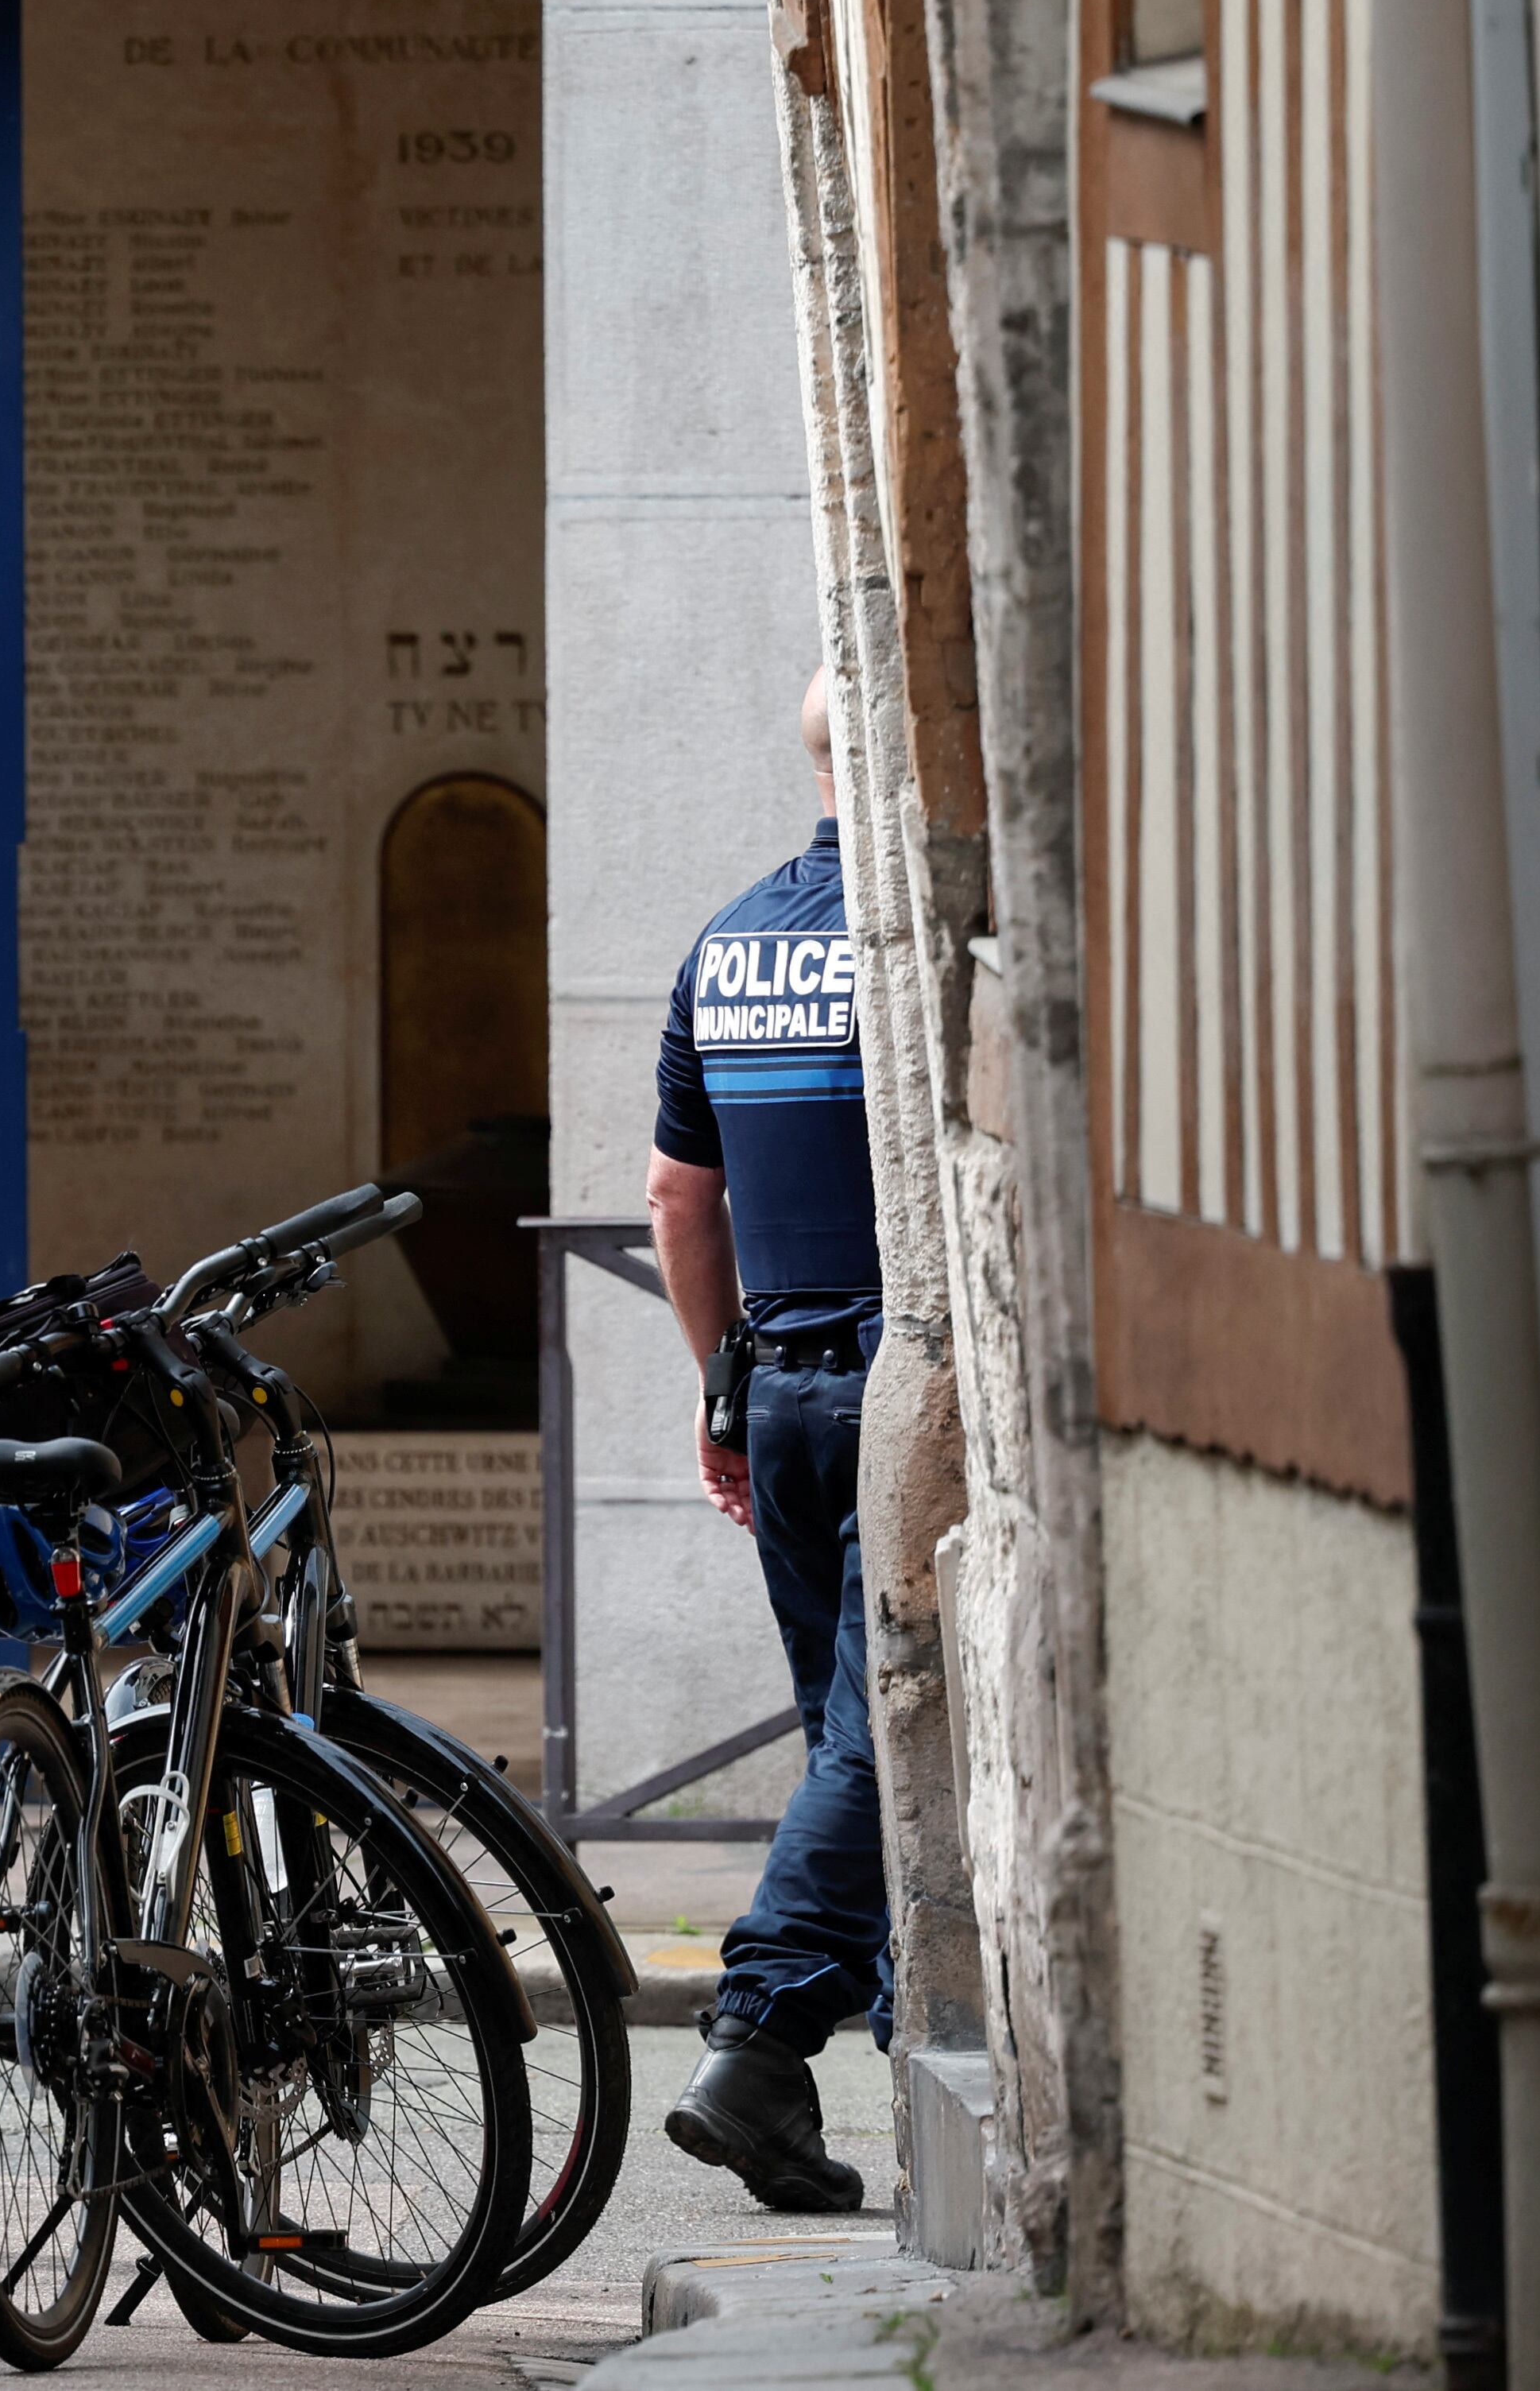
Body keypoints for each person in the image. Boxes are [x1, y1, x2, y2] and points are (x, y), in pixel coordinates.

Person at [645, 668, 891, 2214]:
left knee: (850, 1738)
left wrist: (720, 1382)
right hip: (898, 1374)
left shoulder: (728, 941)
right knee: (881, 1730)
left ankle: (810, 2063)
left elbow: (681, 1196)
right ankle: (761, 2034)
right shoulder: (911, 937)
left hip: (782, 1383)